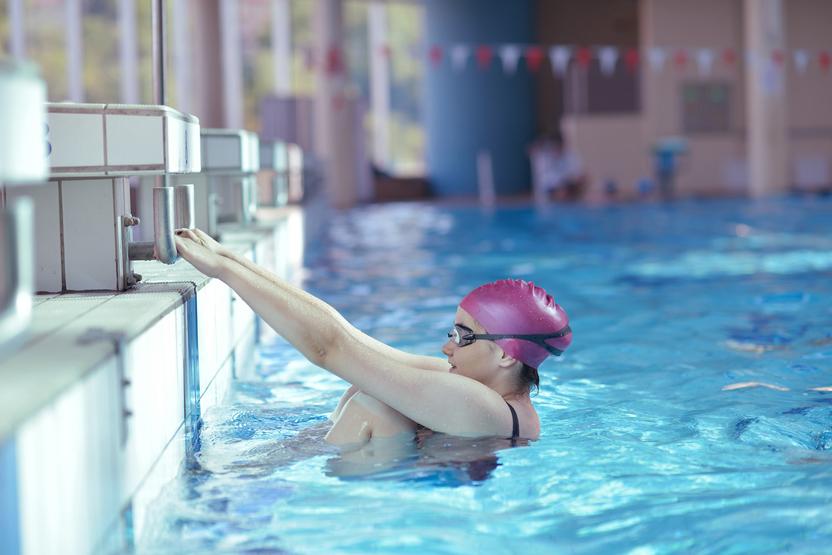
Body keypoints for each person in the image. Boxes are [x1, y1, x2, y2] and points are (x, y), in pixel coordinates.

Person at [174, 228, 572, 448]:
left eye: (463, 336)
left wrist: (224, 273)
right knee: (368, 385)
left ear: (506, 356)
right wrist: (232, 259)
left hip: (379, 511)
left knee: (374, 405)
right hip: (390, 479)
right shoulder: (482, 390)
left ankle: (251, 476)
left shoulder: (482, 405)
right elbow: (353, 341)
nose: (446, 346)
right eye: (451, 332)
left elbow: (329, 349)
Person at [529, 133, 587, 202]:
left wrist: (570, 181)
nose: (556, 149)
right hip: (550, 188)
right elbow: (531, 150)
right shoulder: (543, 158)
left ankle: (571, 197)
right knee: (561, 191)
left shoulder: (570, 155)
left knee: (583, 178)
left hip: (567, 184)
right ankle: (561, 196)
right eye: (554, 146)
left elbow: (578, 173)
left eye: (559, 146)